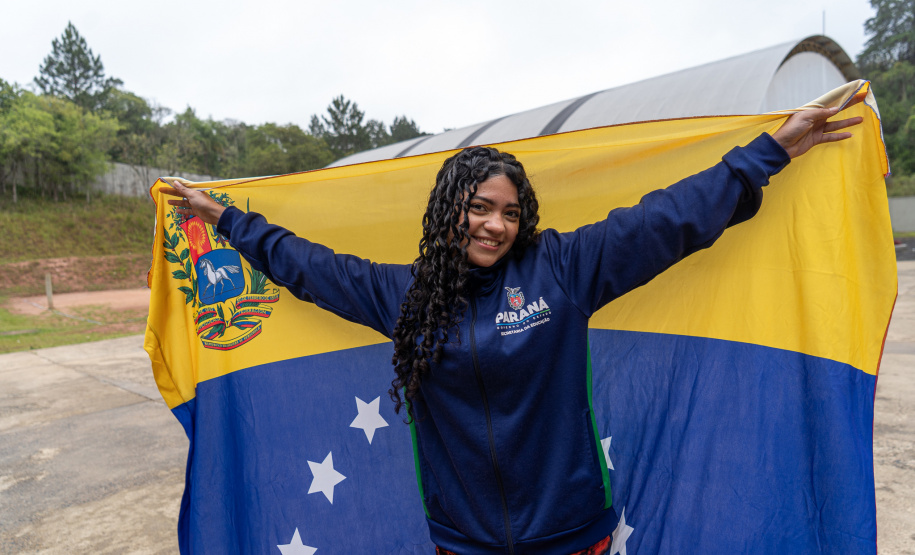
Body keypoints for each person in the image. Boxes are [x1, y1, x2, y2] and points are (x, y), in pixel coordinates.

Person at [162, 103, 862, 554]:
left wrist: (765, 154)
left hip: (571, 534)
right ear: (448, 211)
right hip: (462, 542)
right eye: (478, 206)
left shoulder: (563, 267)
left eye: (509, 210)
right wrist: (223, 217)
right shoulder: (402, 295)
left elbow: (667, 221)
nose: (495, 223)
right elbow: (307, 265)